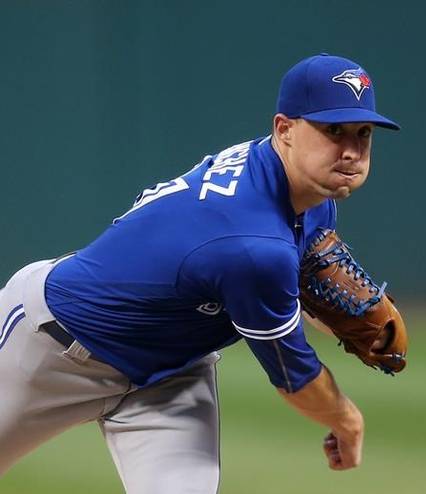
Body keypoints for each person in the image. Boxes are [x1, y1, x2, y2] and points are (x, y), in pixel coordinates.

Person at [0, 53, 400, 493]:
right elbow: (294, 376)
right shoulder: (253, 244)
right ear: (284, 129)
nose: (351, 150)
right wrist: (348, 421)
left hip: (172, 374)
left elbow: (287, 293)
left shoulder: (311, 192)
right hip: (52, 346)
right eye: (333, 131)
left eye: (363, 133)